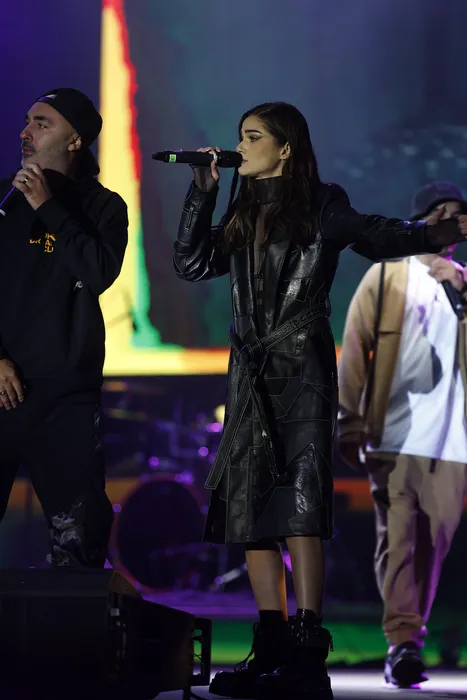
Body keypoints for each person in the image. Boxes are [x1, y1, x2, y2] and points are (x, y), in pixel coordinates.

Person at [173, 102, 467, 699]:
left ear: (284, 148)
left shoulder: (321, 204)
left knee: (298, 507)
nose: (241, 146)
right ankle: (271, 646)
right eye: (240, 136)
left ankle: (308, 654)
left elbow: (375, 233)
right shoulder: (240, 209)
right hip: (249, 374)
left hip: (300, 372)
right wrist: (202, 192)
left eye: (253, 136)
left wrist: (431, 234)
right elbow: (191, 263)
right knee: (249, 512)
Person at [338, 181, 467, 688]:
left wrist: (461, 291)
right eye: (442, 213)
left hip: (453, 440)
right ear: (424, 219)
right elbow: (354, 347)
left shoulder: (462, 283)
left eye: (458, 215)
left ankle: (409, 632)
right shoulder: (387, 276)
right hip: (392, 433)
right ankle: (403, 641)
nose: (451, 222)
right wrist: (350, 420)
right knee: (398, 539)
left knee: (435, 540)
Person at [0, 88, 128, 567]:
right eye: (27, 121)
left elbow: (97, 273)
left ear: (75, 140)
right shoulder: (2, 201)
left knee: (79, 537)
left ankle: (72, 617)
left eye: (42, 123)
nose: (25, 132)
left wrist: (47, 206)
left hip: (65, 397)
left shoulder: (103, 208)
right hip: (0, 387)